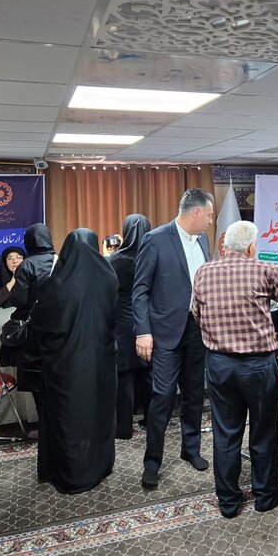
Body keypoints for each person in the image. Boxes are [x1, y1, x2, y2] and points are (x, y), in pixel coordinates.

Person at [192, 220, 278, 518]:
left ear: (225, 246)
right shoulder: (262, 269)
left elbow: (196, 313)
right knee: (263, 430)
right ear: (251, 248)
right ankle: (265, 495)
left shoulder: (204, 272)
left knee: (225, 432)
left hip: (219, 365)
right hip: (258, 366)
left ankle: (228, 501)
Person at [133, 188, 214, 489]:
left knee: (194, 394)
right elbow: (140, 290)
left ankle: (190, 449)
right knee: (163, 397)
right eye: (209, 215)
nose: (210, 221)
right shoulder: (155, 239)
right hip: (165, 333)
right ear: (196, 212)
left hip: (197, 330)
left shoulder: (203, 240)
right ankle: (152, 462)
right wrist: (143, 331)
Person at [30, 228, 118, 494]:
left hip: (66, 365)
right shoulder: (109, 277)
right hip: (102, 361)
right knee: (98, 414)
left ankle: (73, 475)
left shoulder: (56, 285)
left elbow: (40, 324)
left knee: (68, 418)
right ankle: (100, 465)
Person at [0, 223, 56, 411]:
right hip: (59, 326)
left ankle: (42, 423)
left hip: (34, 330)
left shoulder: (27, 265)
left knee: (37, 382)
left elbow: (19, 299)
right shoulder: (61, 261)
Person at [108, 214, 152, 440]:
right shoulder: (153, 255)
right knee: (148, 372)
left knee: (124, 375)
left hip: (122, 322)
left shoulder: (115, 259)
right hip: (149, 320)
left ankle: (124, 427)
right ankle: (152, 420)